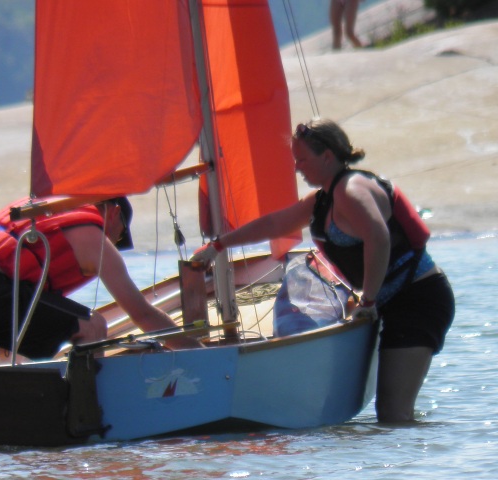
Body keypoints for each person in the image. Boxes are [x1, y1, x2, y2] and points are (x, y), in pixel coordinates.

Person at [192, 118, 455, 423]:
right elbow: (275, 223)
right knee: (390, 415)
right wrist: (219, 245)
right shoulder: (323, 199)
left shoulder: (352, 189)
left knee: (393, 415)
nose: (297, 168)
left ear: (327, 156)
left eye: (302, 159)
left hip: (418, 299)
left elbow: (378, 236)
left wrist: (367, 301)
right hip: (390, 301)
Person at [0, 196, 201, 441]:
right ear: (114, 213)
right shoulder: (93, 236)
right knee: (93, 326)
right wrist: (197, 354)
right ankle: (89, 422)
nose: (114, 245)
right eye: (118, 238)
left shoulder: (47, 214)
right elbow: (141, 313)